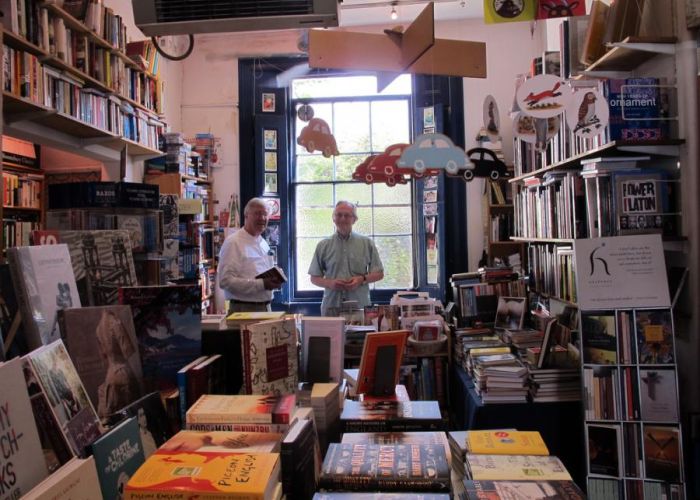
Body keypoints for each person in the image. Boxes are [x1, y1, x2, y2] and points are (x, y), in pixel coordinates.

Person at [308, 201, 384, 316]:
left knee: (361, 335)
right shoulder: (323, 245)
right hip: (331, 308)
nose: (342, 219)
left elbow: (379, 274)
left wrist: (361, 279)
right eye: (339, 215)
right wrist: (330, 283)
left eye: (347, 215)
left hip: (360, 308)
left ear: (354, 219)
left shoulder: (367, 243)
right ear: (333, 218)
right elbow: (314, 278)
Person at [218, 198, 283, 312]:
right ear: (246, 215)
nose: (262, 218)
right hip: (244, 309)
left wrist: (276, 278)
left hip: (266, 307)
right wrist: (262, 284)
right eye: (258, 213)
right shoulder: (233, 242)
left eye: (265, 214)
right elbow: (225, 281)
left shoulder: (262, 242)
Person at [95, 309, 142, 417]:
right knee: (135, 414)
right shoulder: (114, 321)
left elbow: (103, 354)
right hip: (123, 372)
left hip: (110, 374)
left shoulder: (98, 329)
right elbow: (128, 350)